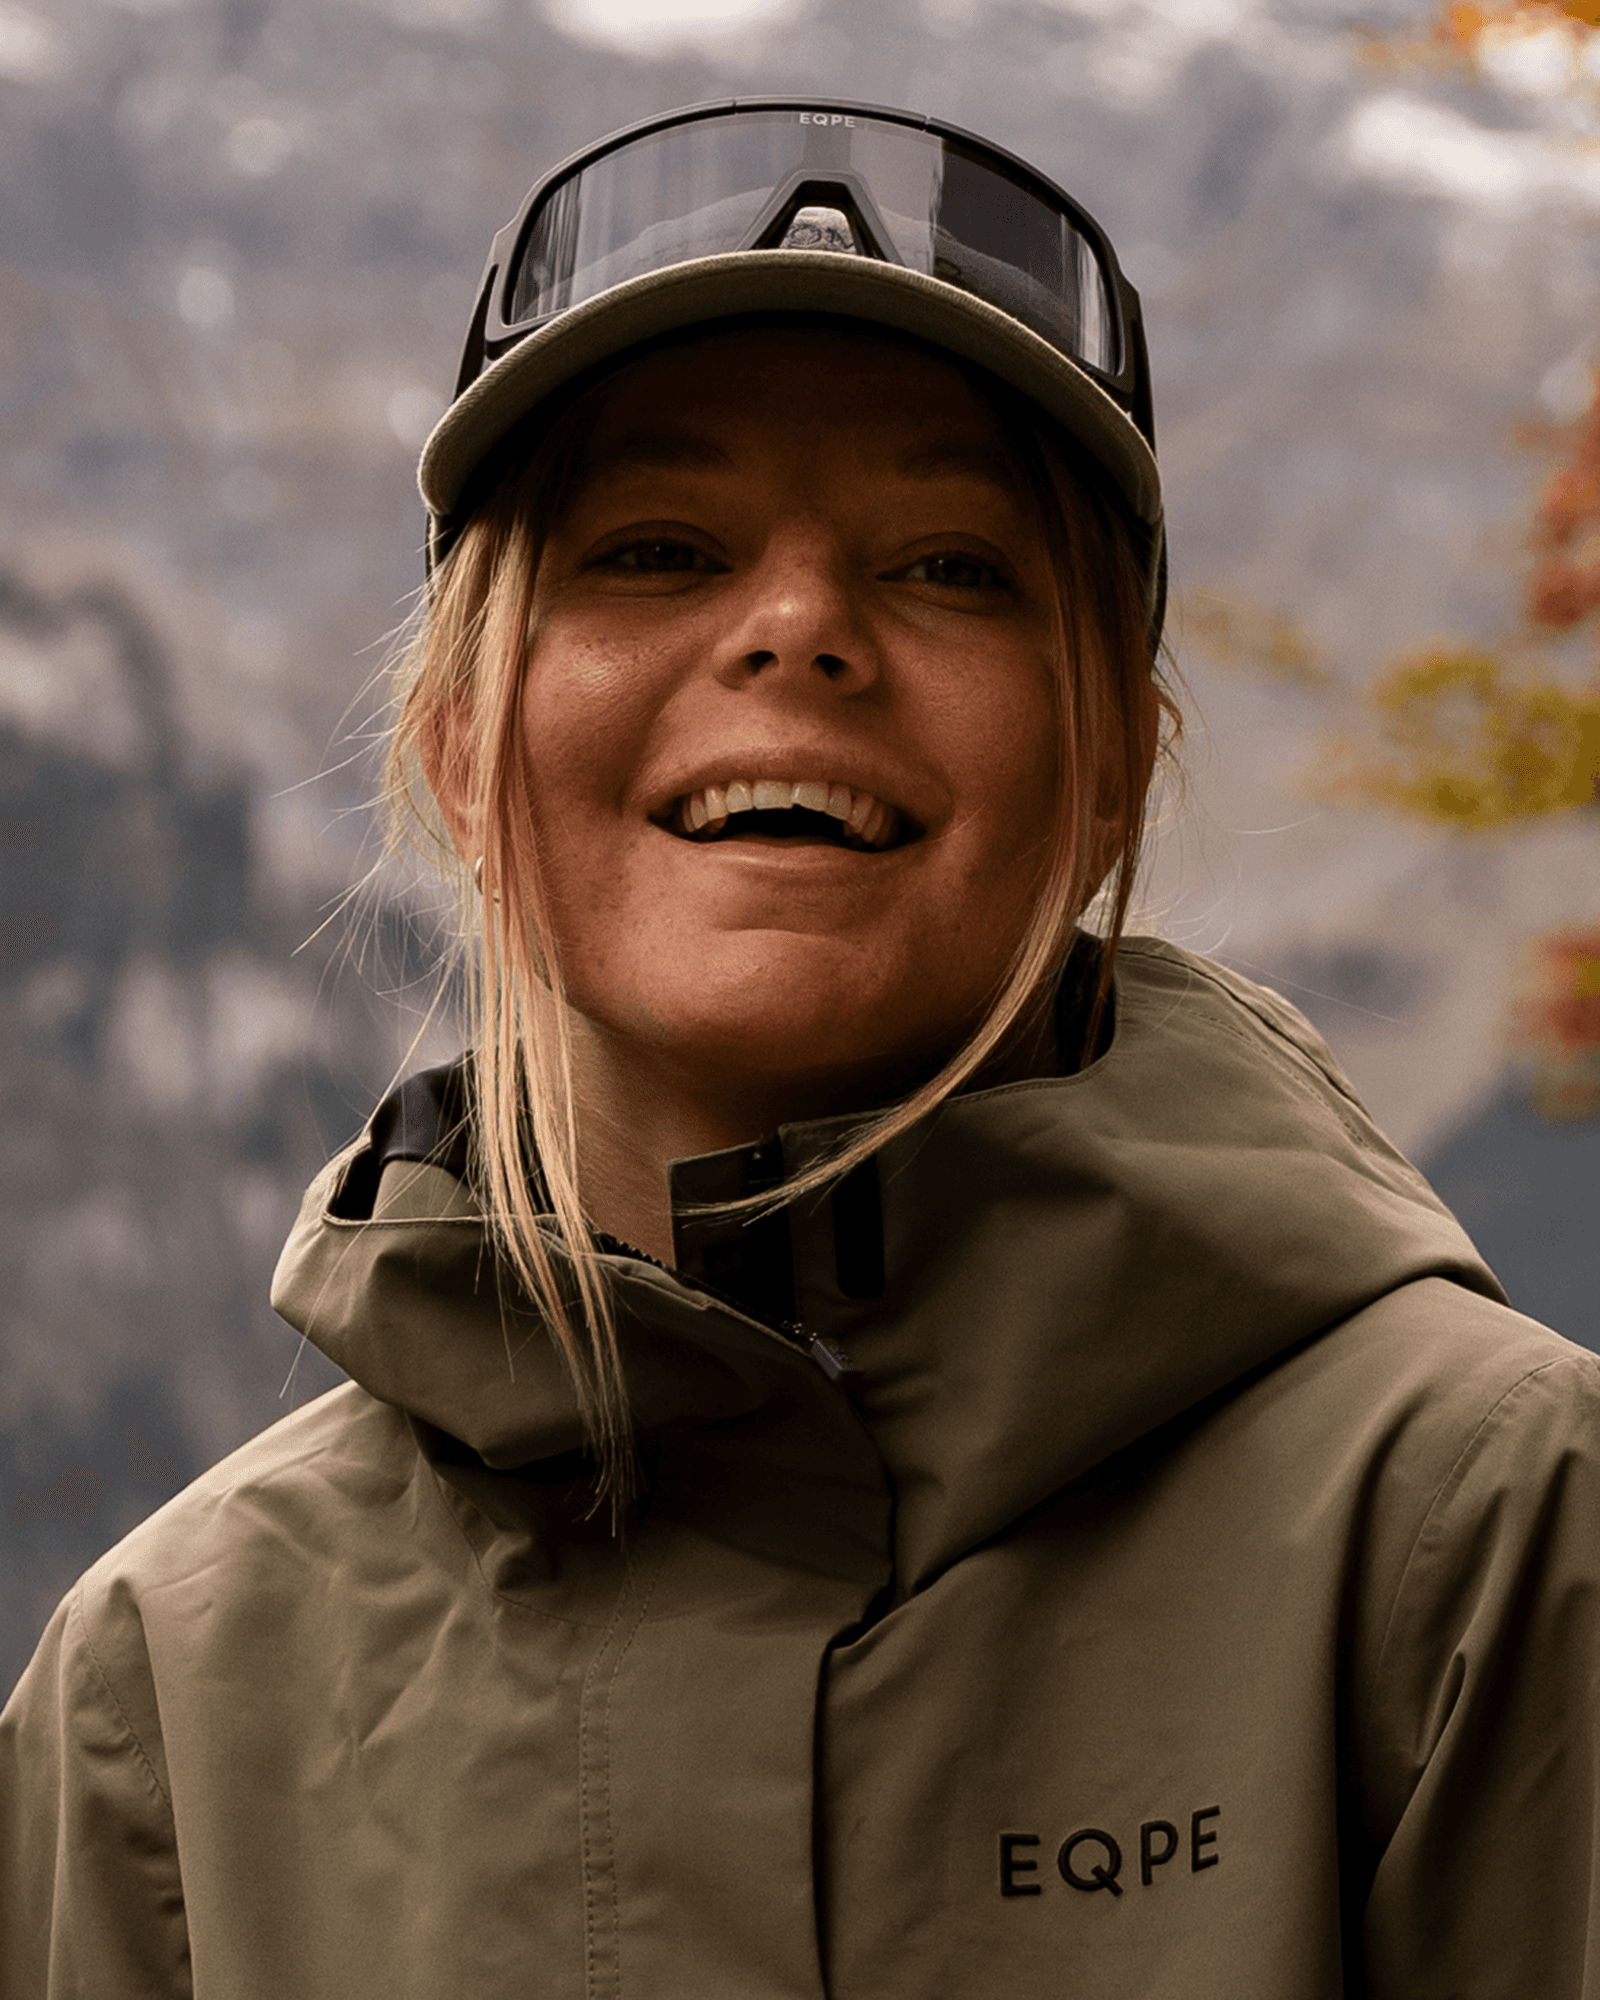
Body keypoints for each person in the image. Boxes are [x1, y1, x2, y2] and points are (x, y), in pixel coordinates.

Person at [3, 96, 1598, 2000]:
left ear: (1109, 764)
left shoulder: (1484, 1537)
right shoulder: (163, 1705)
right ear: (458, 746)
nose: (800, 628)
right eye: (658, 548)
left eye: (951, 565)